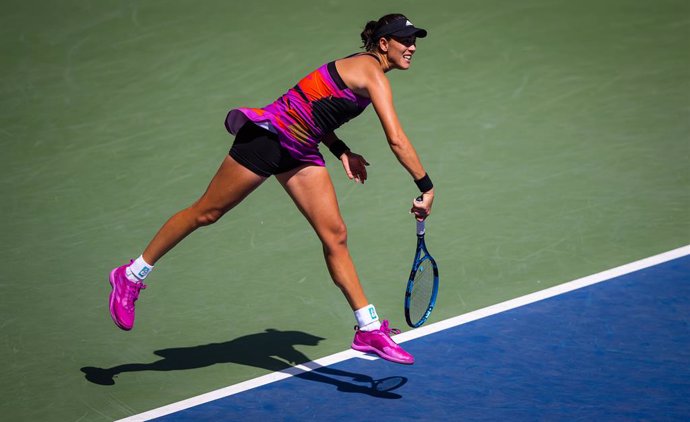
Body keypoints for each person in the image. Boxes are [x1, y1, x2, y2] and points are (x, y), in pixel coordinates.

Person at [108, 13, 435, 365]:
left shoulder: (359, 69)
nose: (412, 47)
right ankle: (131, 274)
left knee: (335, 236)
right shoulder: (371, 73)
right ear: (384, 44)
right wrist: (426, 186)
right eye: (406, 41)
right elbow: (396, 140)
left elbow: (313, 107)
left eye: (414, 40)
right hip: (269, 139)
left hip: (302, 150)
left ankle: (367, 327)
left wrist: (340, 150)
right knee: (207, 212)